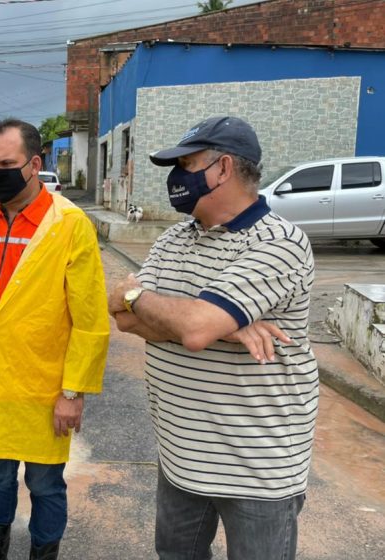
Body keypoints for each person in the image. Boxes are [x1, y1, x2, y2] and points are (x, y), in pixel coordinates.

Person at [108, 116, 317, 560]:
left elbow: (195, 328)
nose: (176, 177)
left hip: (257, 471)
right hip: (181, 460)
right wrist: (228, 325)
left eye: (186, 163)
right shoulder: (172, 240)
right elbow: (123, 317)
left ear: (223, 168)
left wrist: (143, 297)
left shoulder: (279, 243)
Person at [0, 118, 110, 560]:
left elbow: (90, 320)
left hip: (45, 387)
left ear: (34, 164)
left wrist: (73, 391)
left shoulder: (69, 225)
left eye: (7, 163)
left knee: (45, 484)